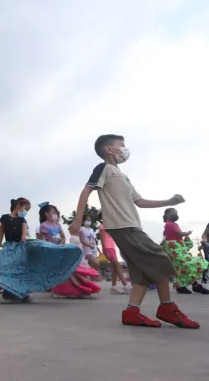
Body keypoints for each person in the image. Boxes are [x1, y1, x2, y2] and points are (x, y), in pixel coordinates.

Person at [69, 134, 198, 328]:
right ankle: (167, 307)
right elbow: (86, 191)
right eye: (121, 145)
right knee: (160, 259)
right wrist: (77, 220)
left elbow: (140, 202)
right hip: (123, 227)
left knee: (141, 273)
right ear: (108, 149)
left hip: (132, 226)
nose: (124, 149)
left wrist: (169, 202)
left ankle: (132, 312)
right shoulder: (103, 168)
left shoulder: (123, 176)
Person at [0, 198, 81, 303]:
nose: (26, 212)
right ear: (19, 205)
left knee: (20, 271)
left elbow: (23, 236)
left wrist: (27, 240)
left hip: (19, 249)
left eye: (27, 210)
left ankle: (20, 294)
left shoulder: (23, 220)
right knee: (3, 268)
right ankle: (8, 292)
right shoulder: (4, 218)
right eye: (25, 209)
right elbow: (1, 234)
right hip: (9, 248)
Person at [161, 208, 209, 294]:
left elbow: (170, 237)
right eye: (173, 213)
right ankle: (192, 285)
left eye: (176, 213)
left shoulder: (173, 224)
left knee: (182, 266)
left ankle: (190, 285)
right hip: (175, 248)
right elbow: (178, 234)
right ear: (167, 215)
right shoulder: (169, 225)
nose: (176, 215)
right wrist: (186, 233)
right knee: (187, 264)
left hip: (178, 247)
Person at [51, 232, 101, 299]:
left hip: (78, 257)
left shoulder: (81, 235)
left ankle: (72, 290)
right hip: (74, 258)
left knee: (79, 273)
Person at [97, 211, 131, 295]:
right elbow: (102, 241)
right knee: (117, 265)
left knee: (115, 267)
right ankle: (126, 285)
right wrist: (105, 251)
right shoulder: (102, 227)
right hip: (107, 248)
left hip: (112, 248)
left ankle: (114, 287)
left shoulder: (110, 227)